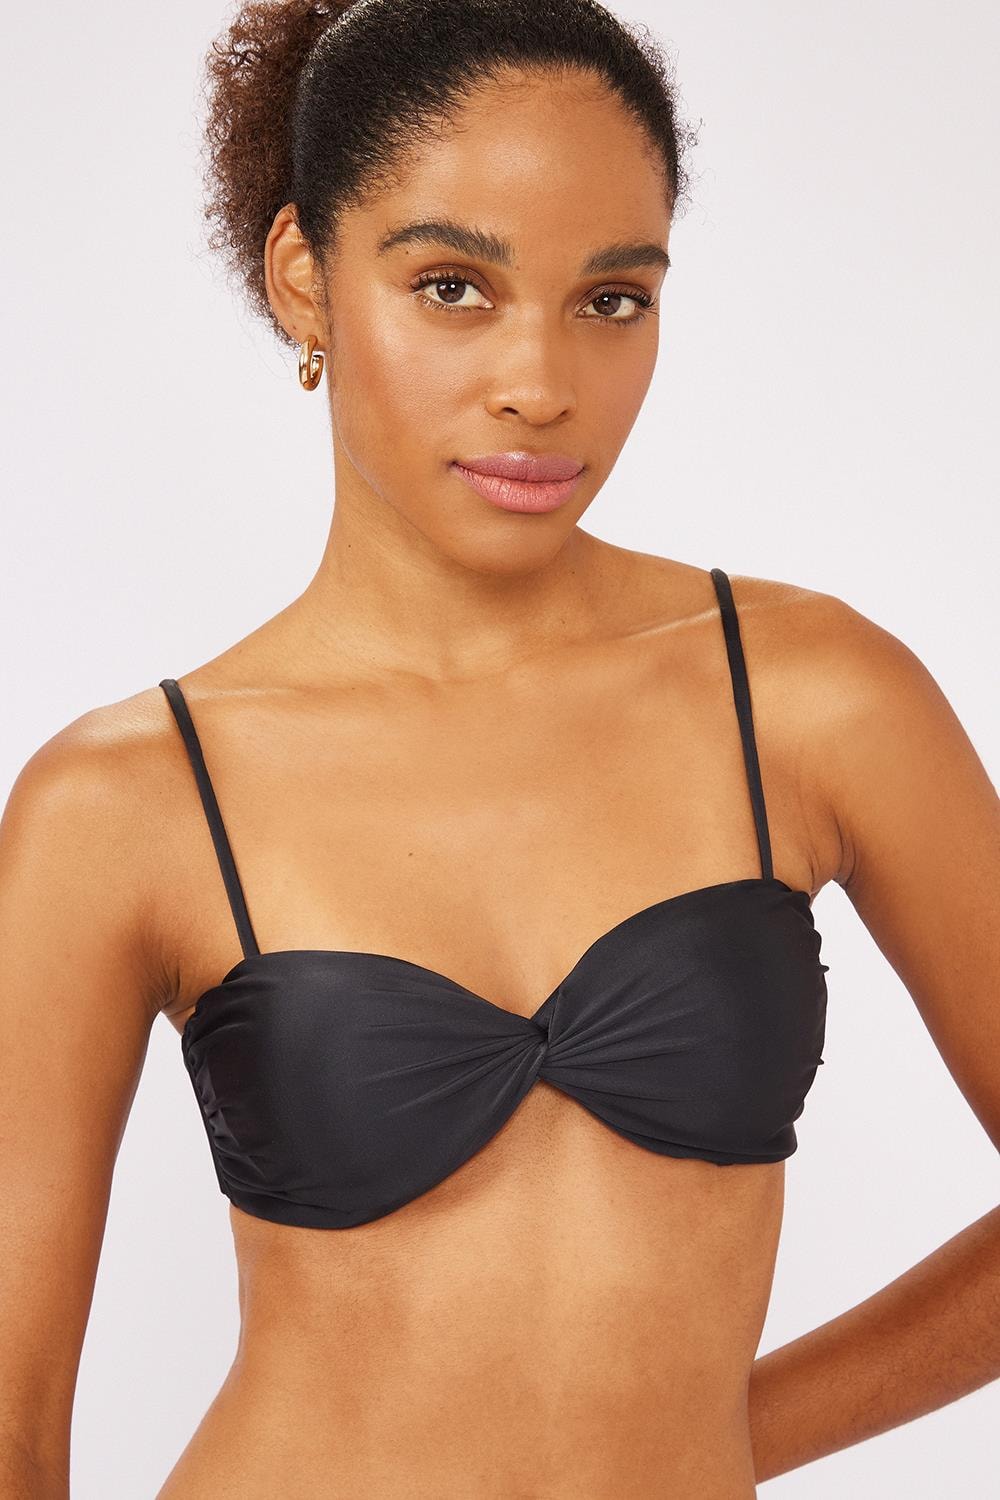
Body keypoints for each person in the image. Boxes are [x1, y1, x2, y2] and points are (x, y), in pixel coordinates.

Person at [2, 1, 998, 1496]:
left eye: (612, 298)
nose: (541, 383)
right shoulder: (124, 800)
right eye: (453, 287)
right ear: (304, 280)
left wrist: (727, 1437)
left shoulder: (809, 698)